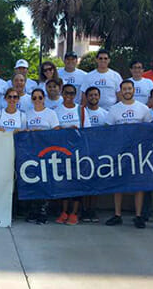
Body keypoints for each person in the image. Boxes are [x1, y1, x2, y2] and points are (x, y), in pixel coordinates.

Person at [105, 80, 153, 228]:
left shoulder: (143, 109)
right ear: (120, 91)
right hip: (120, 151)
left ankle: (138, 216)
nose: (127, 91)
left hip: (137, 152)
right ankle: (117, 214)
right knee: (119, 183)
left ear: (133, 90)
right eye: (124, 89)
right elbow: (108, 130)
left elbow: (148, 130)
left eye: (129, 88)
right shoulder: (114, 109)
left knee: (138, 184)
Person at [53, 84, 90, 226]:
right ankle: (64, 212)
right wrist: (64, 130)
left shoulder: (81, 110)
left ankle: (74, 213)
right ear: (62, 93)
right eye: (66, 93)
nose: (69, 96)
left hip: (78, 152)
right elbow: (54, 130)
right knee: (64, 183)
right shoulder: (56, 110)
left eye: (72, 93)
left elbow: (87, 131)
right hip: (62, 152)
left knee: (77, 182)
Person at [24, 88, 60, 224]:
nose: (37, 100)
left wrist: (41, 132)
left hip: (46, 152)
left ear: (44, 99)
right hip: (30, 152)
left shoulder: (51, 114)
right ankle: (34, 209)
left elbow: (56, 131)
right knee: (33, 180)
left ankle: (43, 210)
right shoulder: (27, 114)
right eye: (34, 98)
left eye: (40, 97)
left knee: (45, 181)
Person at [81, 86, 108, 223]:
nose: (93, 97)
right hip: (84, 151)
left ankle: (93, 209)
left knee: (96, 181)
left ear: (99, 96)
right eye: (90, 95)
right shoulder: (81, 112)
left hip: (99, 151)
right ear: (86, 97)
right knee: (85, 180)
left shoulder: (105, 113)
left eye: (95, 95)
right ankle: (85, 209)